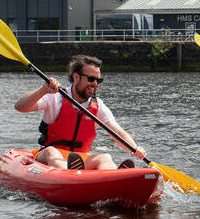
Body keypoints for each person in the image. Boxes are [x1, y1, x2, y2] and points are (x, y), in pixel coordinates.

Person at [14, 55, 146, 170]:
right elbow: (20, 106)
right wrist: (42, 90)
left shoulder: (98, 106)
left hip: (81, 159)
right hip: (49, 156)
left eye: (98, 80)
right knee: (51, 152)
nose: (95, 84)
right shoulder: (54, 97)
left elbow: (118, 132)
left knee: (105, 157)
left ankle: (116, 180)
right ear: (76, 77)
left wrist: (135, 148)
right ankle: (68, 175)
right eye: (91, 79)